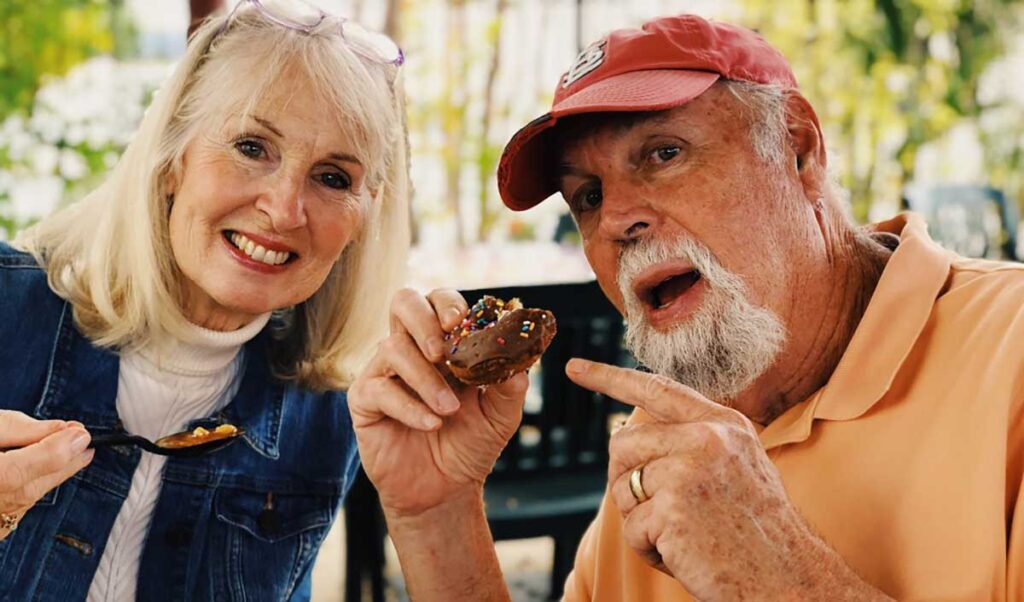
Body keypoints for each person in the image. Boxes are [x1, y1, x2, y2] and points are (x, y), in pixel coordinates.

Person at [348, 13, 1024, 601]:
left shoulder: (1009, 350)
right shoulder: (659, 431)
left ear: (799, 148)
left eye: (664, 153)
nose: (615, 220)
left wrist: (780, 582)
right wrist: (436, 512)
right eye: (587, 196)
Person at [0, 1, 408, 600]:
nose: (284, 208)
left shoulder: (328, 416)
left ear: (363, 221)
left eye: (332, 178)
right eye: (251, 146)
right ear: (172, 158)